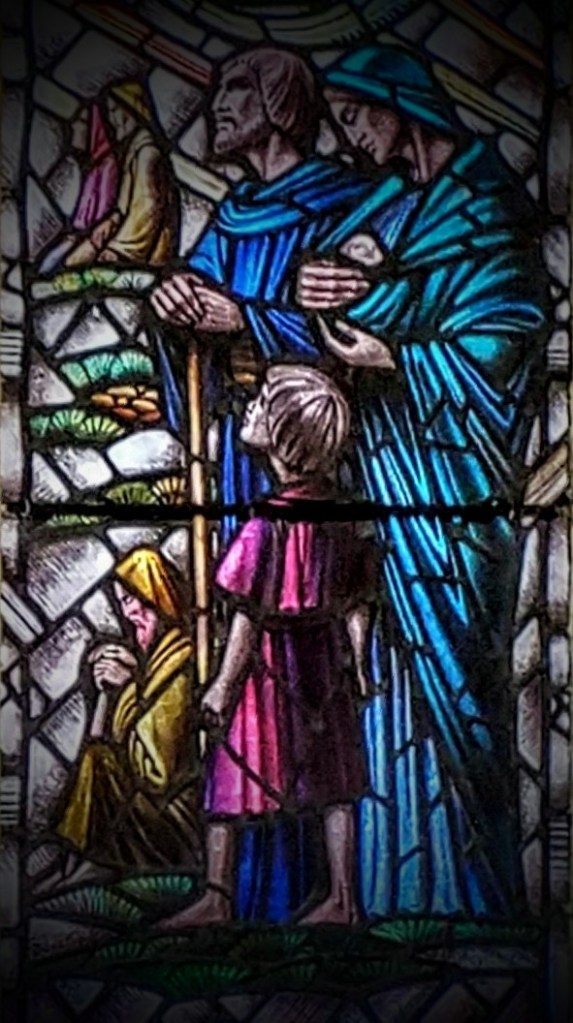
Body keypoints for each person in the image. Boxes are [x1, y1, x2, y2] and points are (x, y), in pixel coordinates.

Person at [294, 44, 549, 917]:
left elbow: (504, 337)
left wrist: (398, 355)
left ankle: (469, 893)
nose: (349, 137)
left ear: (398, 104)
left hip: (459, 484)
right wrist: (322, 285)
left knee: (457, 671)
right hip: (387, 468)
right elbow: (340, 279)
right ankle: (381, 885)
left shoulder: (484, 205)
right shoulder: (386, 203)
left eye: (355, 117)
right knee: (381, 667)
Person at [150, 46, 376, 922]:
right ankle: (238, 892)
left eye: (234, 91)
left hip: (311, 454)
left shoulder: (346, 204)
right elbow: (195, 330)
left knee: (296, 682)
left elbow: (359, 333)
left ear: (282, 104)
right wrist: (176, 315)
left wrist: (242, 316)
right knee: (254, 683)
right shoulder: (231, 218)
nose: (215, 106)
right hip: (241, 457)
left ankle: (323, 892)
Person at [159, 364, 376, 928]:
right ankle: (343, 897)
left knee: (229, 774)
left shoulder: (265, 524)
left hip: (268, 669)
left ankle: (217, 896)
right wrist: (360, 664)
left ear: (281, 438)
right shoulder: (346, 518)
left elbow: (247, 615)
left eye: (260, 402)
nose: (249, 407)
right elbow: (359, 600)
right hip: (324, 665)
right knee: (334, 782)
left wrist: (223, 686)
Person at [35, 548, 202, 893]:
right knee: (97, 757)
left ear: (161, 596)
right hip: (142, 810)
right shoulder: (150, 665)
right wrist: (107, 695)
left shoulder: (181, 663)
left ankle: (89, 863)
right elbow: (99, 743)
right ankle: (77, 862)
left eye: (139, 598)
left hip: (173, 818)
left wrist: (129, 688)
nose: (131, 612)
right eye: (125, 601)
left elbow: (157, 773)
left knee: (100, 760)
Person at [64, 80, 178, 268]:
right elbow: (124, 209)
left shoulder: (148, 153)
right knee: (72, 262)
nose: (113, 119)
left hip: (147, 252)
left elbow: (147, 211)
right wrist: (106, 227)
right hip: (130, 238)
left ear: (134, 110)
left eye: (116, 111)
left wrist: (118, 249)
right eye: (110, 112)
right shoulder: (133, 152)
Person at [38, 102, 119, 274]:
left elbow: (98, 215)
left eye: (81, 122)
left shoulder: (107, 168)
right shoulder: (93, 169)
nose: (74, 127)